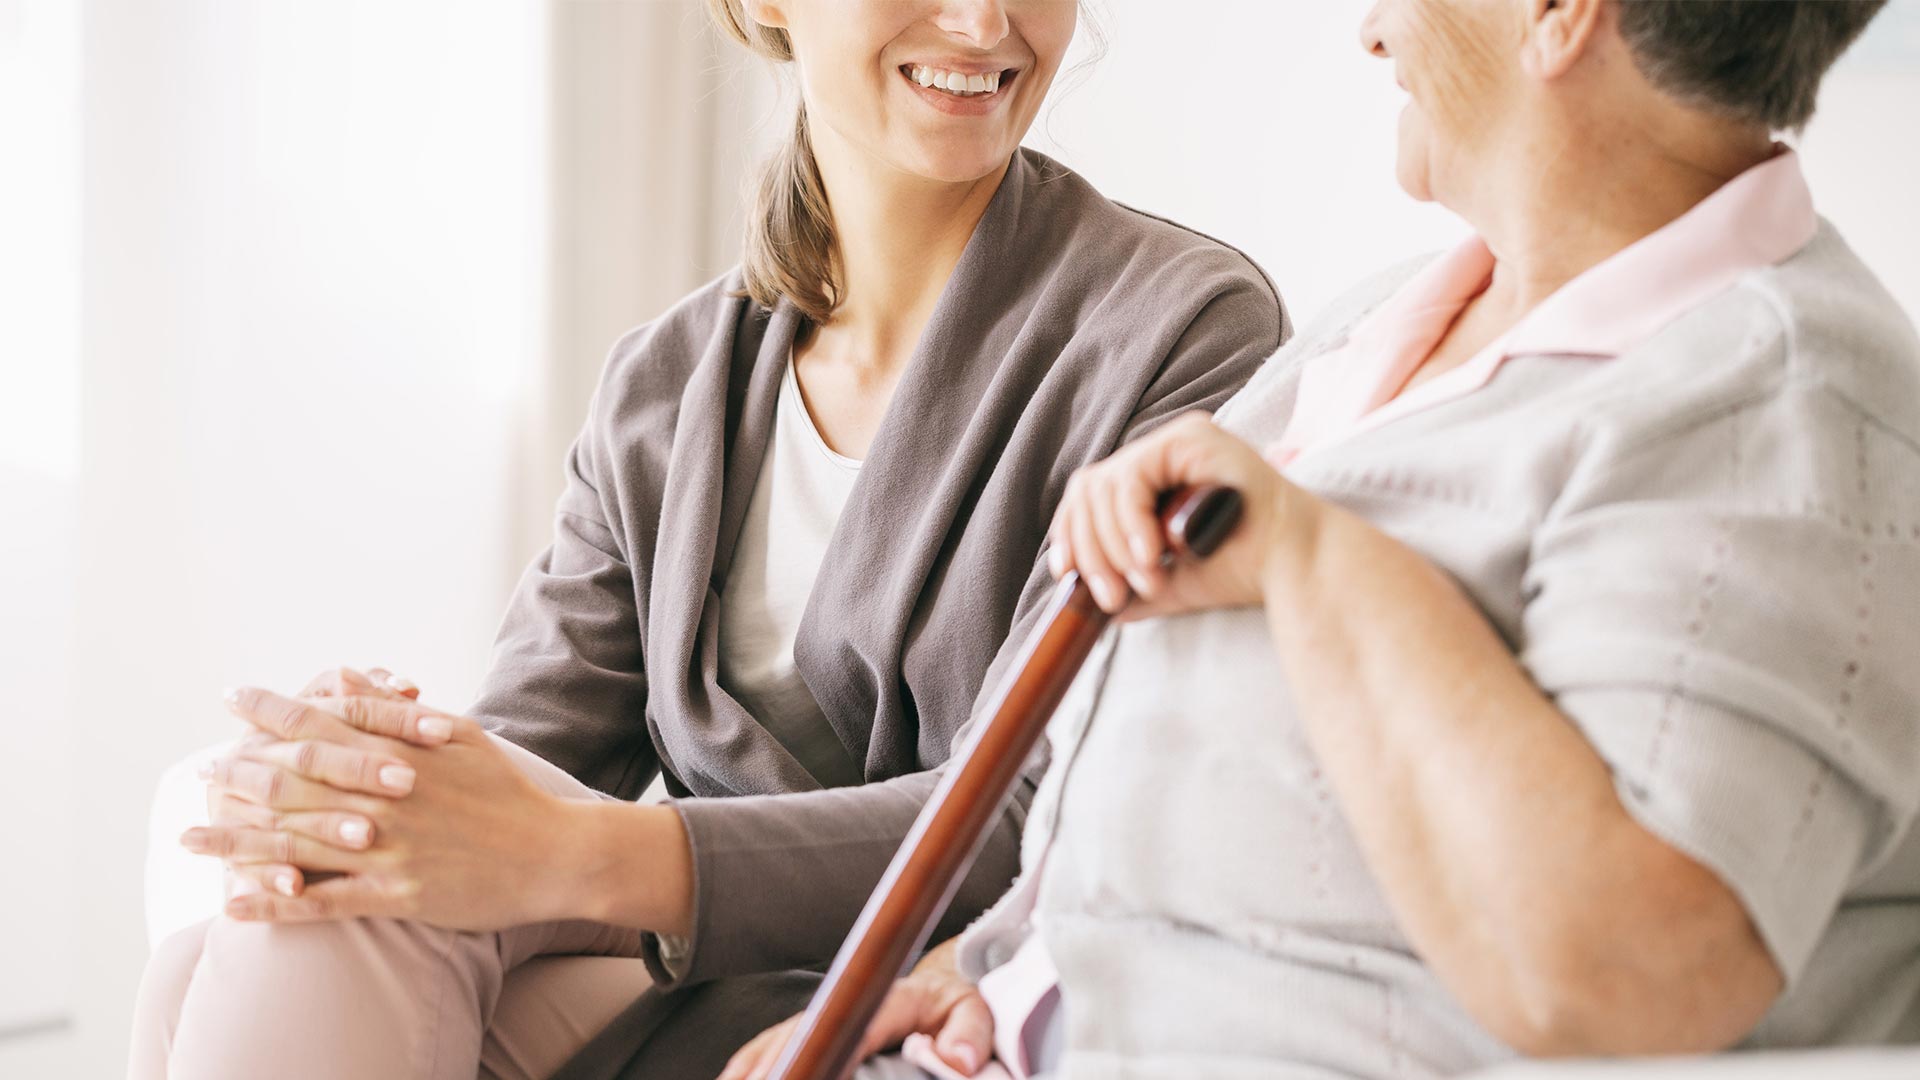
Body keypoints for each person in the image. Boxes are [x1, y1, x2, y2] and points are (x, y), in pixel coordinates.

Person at [725, 1, 1919, 1077]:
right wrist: (975, 976)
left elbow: (1620, 979)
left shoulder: (1782, 408)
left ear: (1559, 14)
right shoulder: (1392, 320)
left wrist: (1320, 563)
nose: (1372, 28)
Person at [127, 0, 1286, 1077]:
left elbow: (1044, 812)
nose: (985, 21)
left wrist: (574, 855)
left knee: (264, 947)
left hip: (900, 992)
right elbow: (529, 757)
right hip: (673, 972)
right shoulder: (665, 383)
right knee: (324, 875)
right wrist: (381, 766)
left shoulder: (1178, 328)